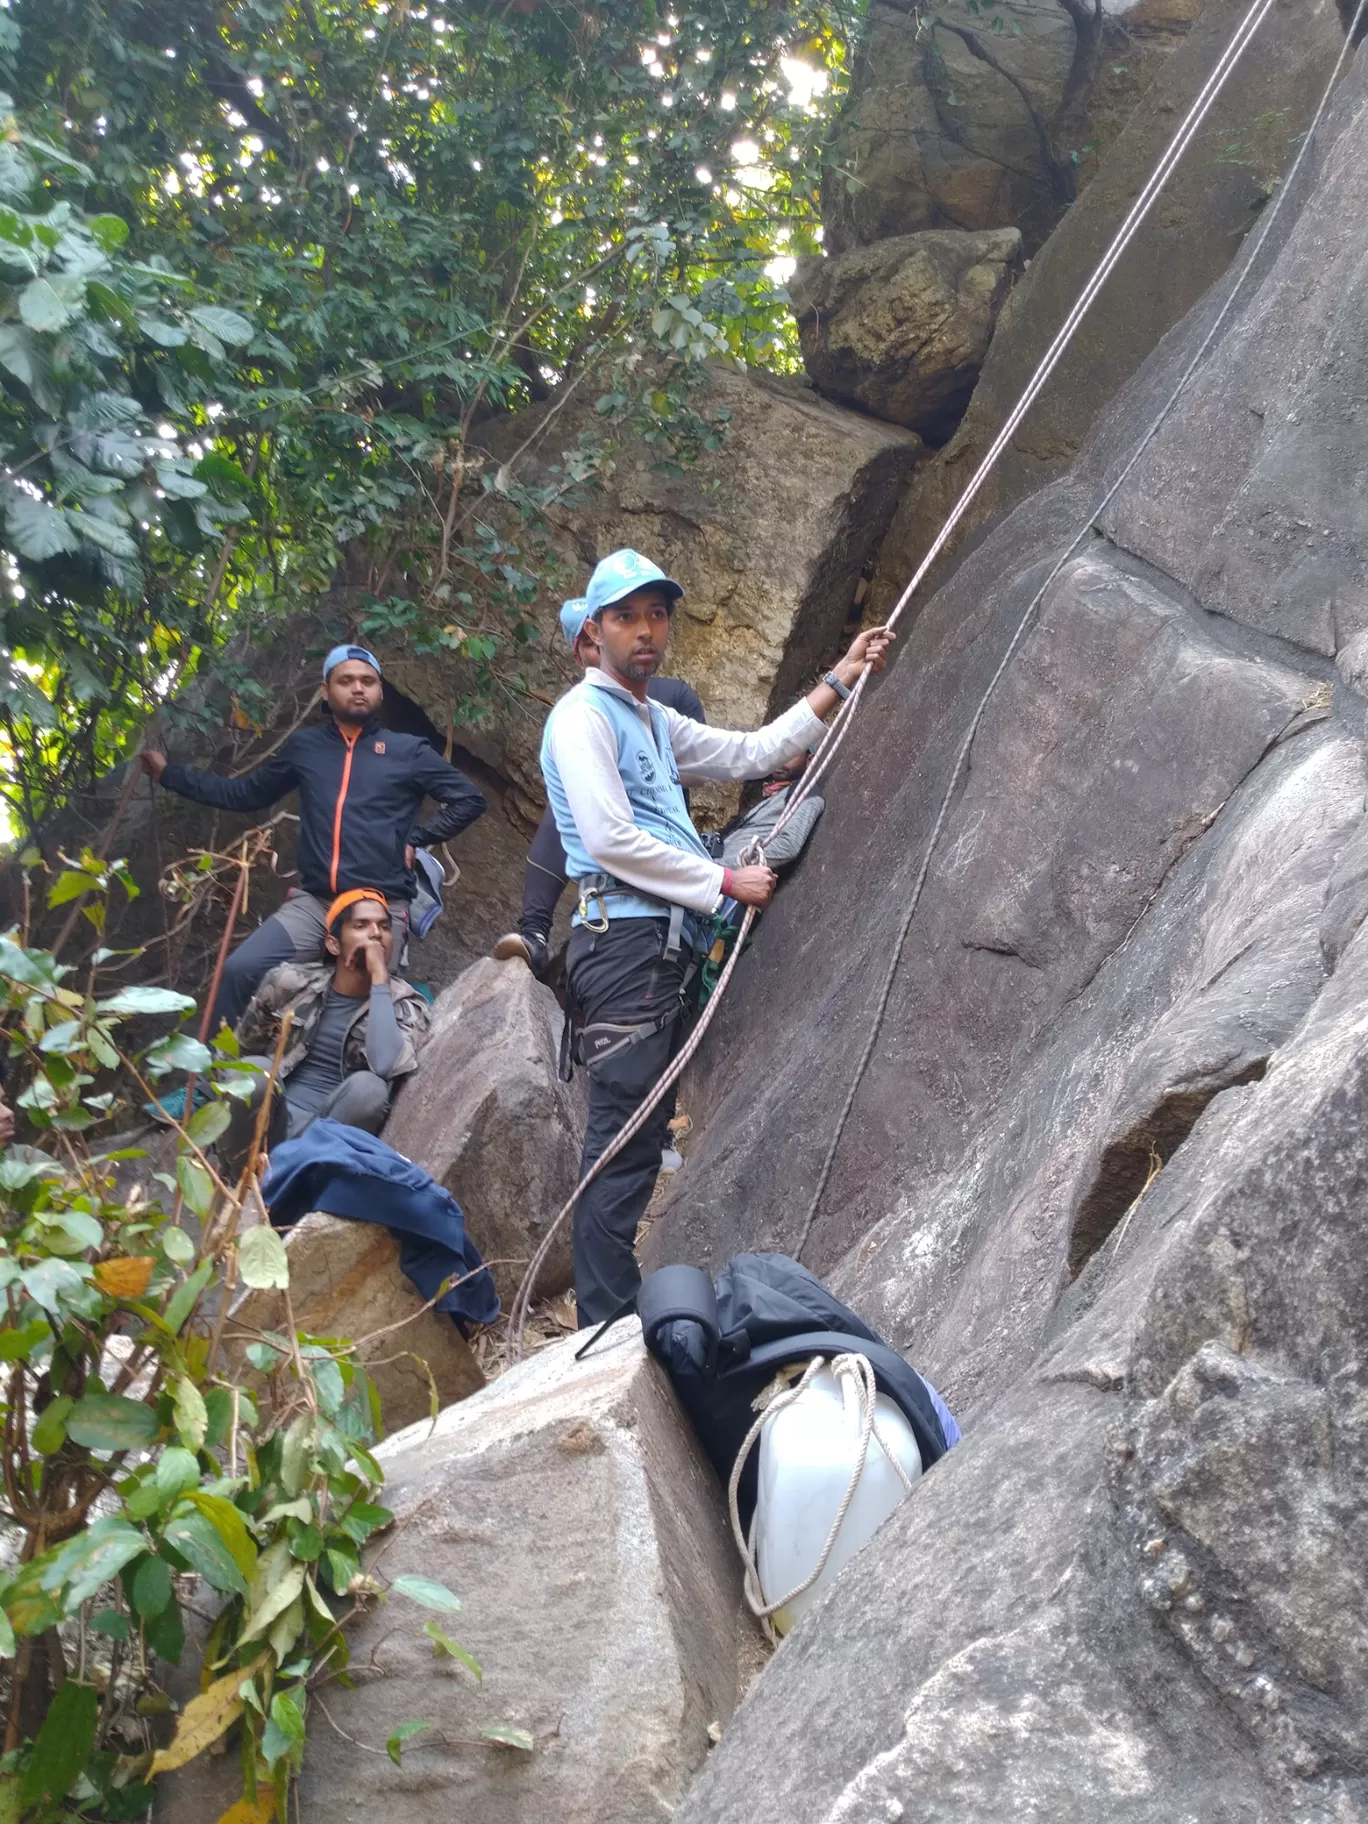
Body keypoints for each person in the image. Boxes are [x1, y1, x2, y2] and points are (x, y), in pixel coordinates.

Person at [541, 547, 893, 1326]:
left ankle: (610, 1313)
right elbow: (605, 837)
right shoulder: (582, 718)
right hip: (623, 943)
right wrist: (723, 882)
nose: (646, 632)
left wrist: (839, 678)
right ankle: (602, 1322)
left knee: (637, 1136)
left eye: (656, 615)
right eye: (627, 617)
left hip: (655, 945)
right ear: (590, 636)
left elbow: (750, 752)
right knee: (622, 1138)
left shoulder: (650, 719)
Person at [140, 644, 485, 1035]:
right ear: (326, 691)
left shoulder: (408, 751)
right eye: (346, 681)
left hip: (379, 906)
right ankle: (206, 1084)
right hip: (317, 902)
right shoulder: (305, 748)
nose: (358, 688)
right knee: (240, 969)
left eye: (368, 681)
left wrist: (417, 838)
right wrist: (170, 775)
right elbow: (245, 795)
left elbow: (469, 799)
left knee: (350, 1013)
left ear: (380, 692)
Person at [493, 598, 706, 978]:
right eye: (588, 646)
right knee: (566, 808)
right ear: (580, 653)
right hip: (604, 856)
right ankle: (535, 934)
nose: (597, 652)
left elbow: (700, 770)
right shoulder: (579, 716)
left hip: (660, 837)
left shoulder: (670, 699)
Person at [217, 889, 430, 1179]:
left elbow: (385, 1065)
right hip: (268, 1127)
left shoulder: (406, 1005)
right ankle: (244, 1180)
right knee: (255, 1072)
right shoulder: (289, 981)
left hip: (327, 1141)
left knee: (370, 1089)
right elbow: (236, 1054)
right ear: (332, 943)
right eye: (360, 925)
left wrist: (380, 979)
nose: (376, 934)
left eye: (383, 926)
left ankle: (294, 1186)